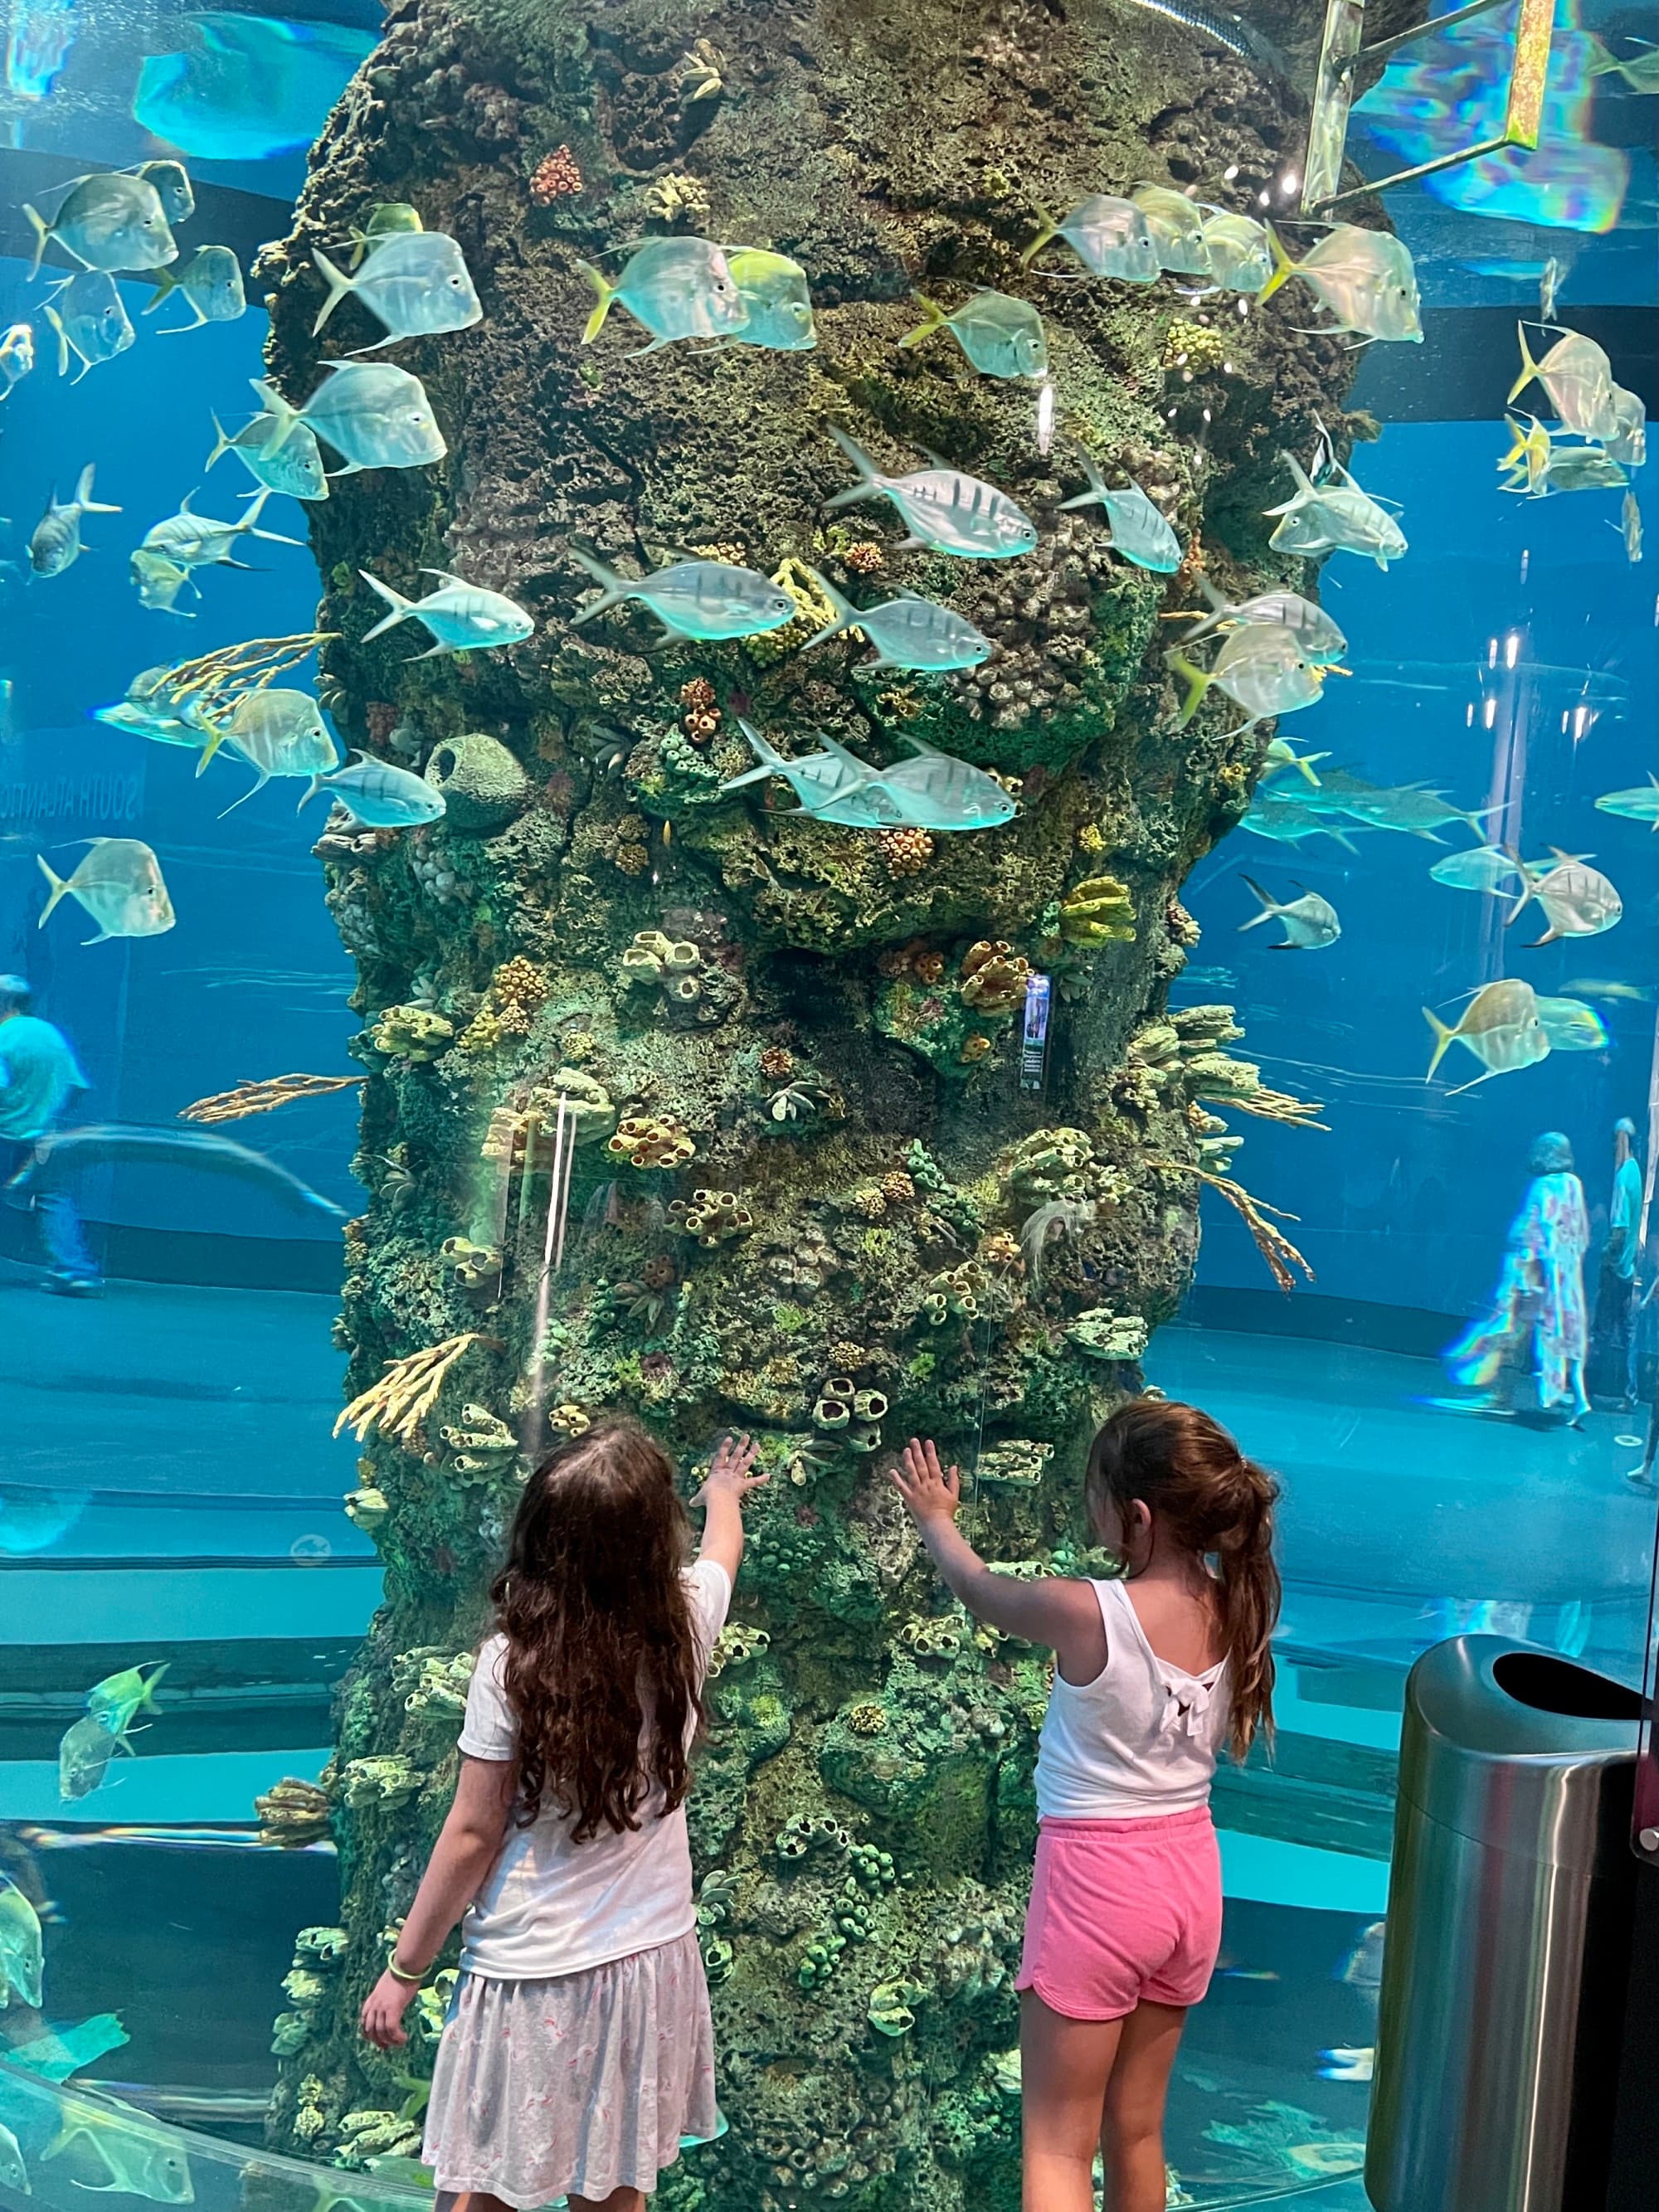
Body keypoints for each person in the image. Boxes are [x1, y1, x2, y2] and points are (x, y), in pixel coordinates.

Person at [359, 1421, 766, 2212]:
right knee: (611, 2191)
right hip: (649, 1967)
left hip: (529, 1980)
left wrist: (405, 1971)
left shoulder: (512, 1664)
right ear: (654, 1544)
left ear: (541, 1541)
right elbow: (722, 1554)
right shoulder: (685, 1623)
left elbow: (474, 1832)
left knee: (480, 2190)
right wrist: (723, 1494)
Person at [891, 1400, 1281, 2212]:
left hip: (1097, 1889)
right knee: (1134, 2132)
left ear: (1133, 1516)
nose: (1087, 1508)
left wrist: (935, 1518)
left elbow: (978, 1589)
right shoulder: (1235, 1605)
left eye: (1093, 1494)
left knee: (1056, 2144)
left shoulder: (1084, 1610)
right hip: (1187, 1886)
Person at [1447, 1132, 1590, 1426]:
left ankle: (1502, 1397)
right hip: (1559, 1279)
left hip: (1531, 1277)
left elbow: (1538, 1233)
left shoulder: (1544, 1186)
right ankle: (1573, 1397)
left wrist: (1524, 1277)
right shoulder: (1573, 1185)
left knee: (1511, 1332)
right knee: (1561, 1337)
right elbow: (1579, 1235)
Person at [0, 974, 98, 1295]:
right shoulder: (50, 1034)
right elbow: (77, 1087)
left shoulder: (3, 1037)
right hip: (45, 1139)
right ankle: (77, 1272)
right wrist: (49, 1119)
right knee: (52, 1198)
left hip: (5, 1135)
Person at [1588, 1118, 1643, 1410]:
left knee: (1602, 1331)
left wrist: (1604, 1257)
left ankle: (1587, 1391)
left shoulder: (1623, 1175)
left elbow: (1620, 1230)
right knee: (1628, 1334)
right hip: (1629, 1269)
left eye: (1614, 1139)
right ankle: (1629, 1394)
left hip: (1615, 1270)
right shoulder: (1636, 1172)